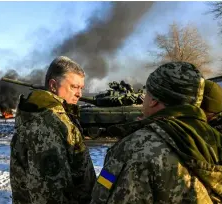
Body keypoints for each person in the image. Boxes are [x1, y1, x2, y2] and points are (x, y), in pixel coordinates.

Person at [91, 62, 222, 204]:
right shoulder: (215, 139)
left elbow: (104, 198)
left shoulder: (137, 146)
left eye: (147, 93)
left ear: (153, 100)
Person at [10, 56, 96, 204]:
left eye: (81, 88)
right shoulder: (45, 124)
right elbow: (50, 193)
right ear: (53, 85)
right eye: (74, 87)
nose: (79, 94)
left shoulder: (57, 117)